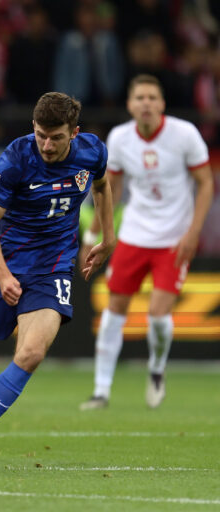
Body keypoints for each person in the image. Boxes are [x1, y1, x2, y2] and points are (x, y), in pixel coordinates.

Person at [0, 92, 115, 468]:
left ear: (75, 133)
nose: (47, 145)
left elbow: (101, 187)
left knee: (32, 352)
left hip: (53, 268)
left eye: (56, 137)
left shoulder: (93, 151)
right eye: (40, 135)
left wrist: (108, 237)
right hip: (6, 265)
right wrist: (3, 276)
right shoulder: (17, 157)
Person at [79, 75, 213, 411]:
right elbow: (112, 191)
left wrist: (193, 232)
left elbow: (206, 183)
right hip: (134, 235)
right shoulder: (121, 138)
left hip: (173, 239)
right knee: (114, 311)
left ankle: (156, 369)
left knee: (157, 315)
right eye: (140, 97)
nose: (147, 103)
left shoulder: (184, 134)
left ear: (162, 104)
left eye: (153, 97)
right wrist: (93, 235)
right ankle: (101, 390)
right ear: (130, 104)